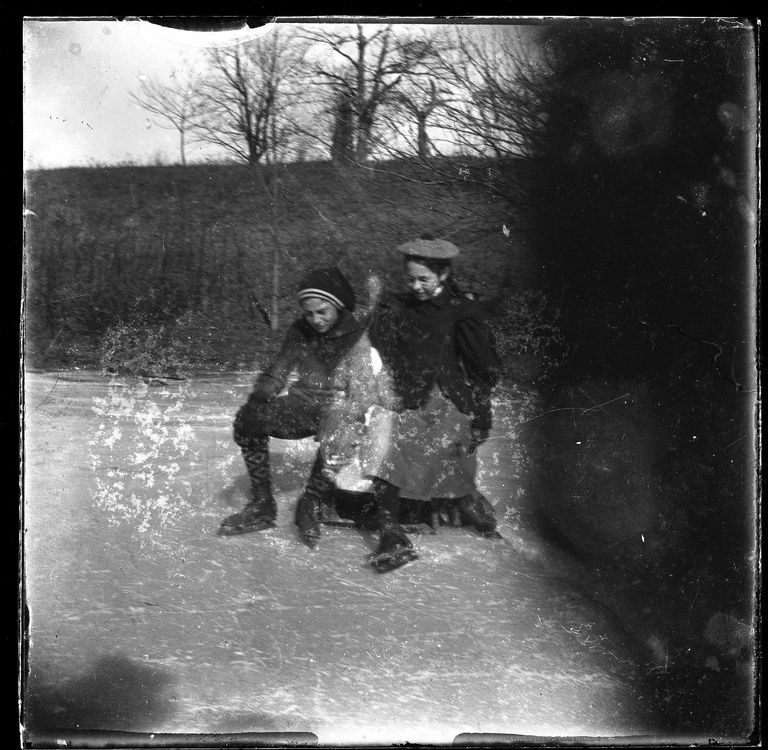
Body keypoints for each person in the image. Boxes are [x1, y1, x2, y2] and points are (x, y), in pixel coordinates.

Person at [365, 233, 502, 560]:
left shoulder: (461, 311)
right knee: (392, 459)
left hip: (449, 399)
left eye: (424, 279)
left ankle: (466, 503)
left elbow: (482, 370)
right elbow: (379, 348)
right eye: (410, 279)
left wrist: (482, 415)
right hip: (409, 398)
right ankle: (390, 531)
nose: (416, 286)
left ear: (443, 275)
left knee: (455, 463)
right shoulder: (397, 307)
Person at [218, 266, 366, 548]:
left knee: (340, 424)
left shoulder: (357, 334)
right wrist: (257, 401)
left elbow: (362, 391)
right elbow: (280, 369)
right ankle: (262, 504)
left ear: (337, 306)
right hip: (303, 406)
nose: (315, 319)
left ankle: (311, 500)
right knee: (249, 420)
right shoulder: (300, 330)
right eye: (309, 313)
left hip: (342, 410)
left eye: (322, 311)